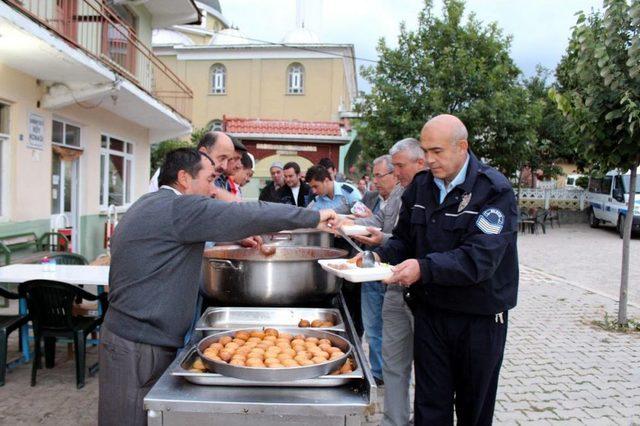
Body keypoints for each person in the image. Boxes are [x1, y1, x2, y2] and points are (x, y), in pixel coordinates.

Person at [99, 147, 337, 425]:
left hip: (135, 338)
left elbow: (164, 253)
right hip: (138, 345)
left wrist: (232, 240)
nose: (213, 190)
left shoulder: (151, 203)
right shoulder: (180, 207)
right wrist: (315, 217)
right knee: (130, 419)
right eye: (210, 179)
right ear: (184, 178)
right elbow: (250, 213)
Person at [369, 115, 519, 425]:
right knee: (429, 407)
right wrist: (375, 258)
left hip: (477, 319)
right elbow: (404, 241)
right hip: (431, 314)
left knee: (473, 408)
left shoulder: (493, 190)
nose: (429, 159)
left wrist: (423, 268)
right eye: (425, 151)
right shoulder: (422, 186)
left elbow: (480, 259)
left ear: (462, 146)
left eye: (437, 151)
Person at [351, 139, 426, 426]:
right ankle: (393, 420)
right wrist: (376, 251)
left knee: (428, 367)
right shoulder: (404, 196)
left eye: (398, 167)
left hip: (423, 292)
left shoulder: (432, 196)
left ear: (420, 163)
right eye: (392, 168)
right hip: (394, 285)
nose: (395, 173)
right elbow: (398, 240)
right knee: (394, 362)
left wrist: (381, 244)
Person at [339, 154, 403, 388]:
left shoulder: (405, 197)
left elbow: (400, 239)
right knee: (373, 327)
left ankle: (390, 372)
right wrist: (343, 223)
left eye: (379, 175)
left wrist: (379, 239)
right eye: (374, 175)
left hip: (391, 272)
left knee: (389, 329)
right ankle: (377, 372)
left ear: (394, 174)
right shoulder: (379, 198)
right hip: (371, 270)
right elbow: (374, 222)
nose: (375, 181)